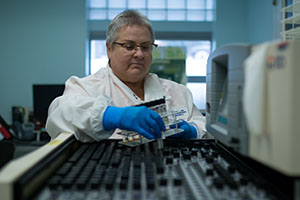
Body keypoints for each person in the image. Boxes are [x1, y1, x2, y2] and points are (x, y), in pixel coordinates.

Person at [46, 10, 206, 143]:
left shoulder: (178, 91)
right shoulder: (86, 87)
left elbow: (203, 125)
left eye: (146, 47)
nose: (139, 54)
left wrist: (192, 130)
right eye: (129, 47)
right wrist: (110, 115)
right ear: (109, 49)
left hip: (169, 173)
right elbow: (59, 114)